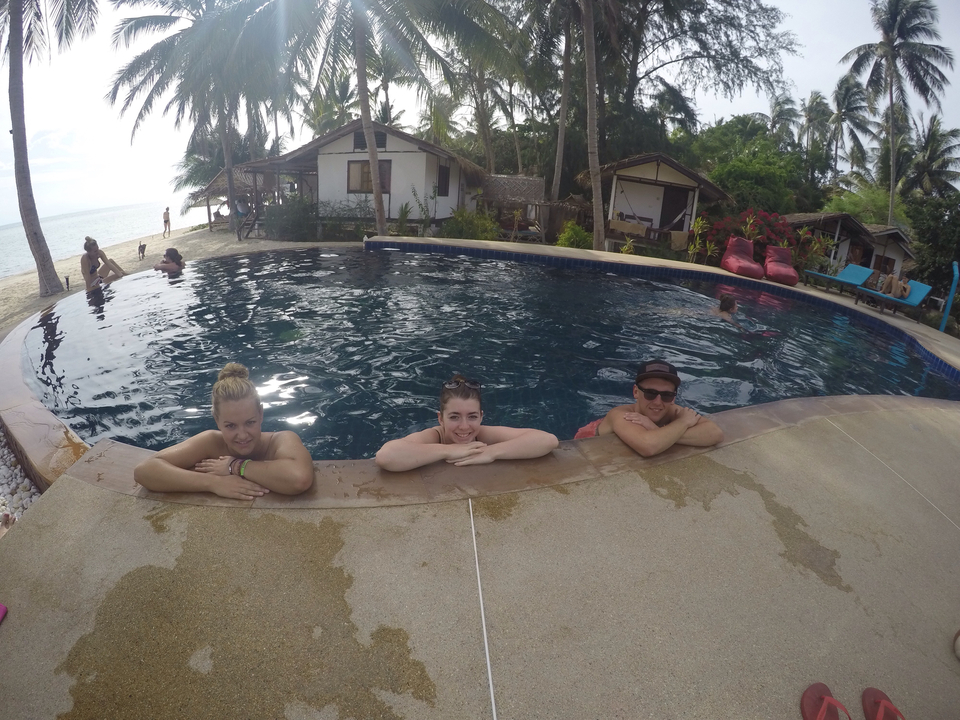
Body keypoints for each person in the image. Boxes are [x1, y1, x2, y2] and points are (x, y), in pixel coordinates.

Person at [134, 363, 315, 498]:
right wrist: (214, 483)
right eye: (230, 426)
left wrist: (235, 466)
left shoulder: (281, 440)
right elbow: (145, 471)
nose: (242, 435)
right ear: (216, 420)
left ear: (260, 414)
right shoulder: (211, 442)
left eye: (250, 422)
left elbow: (299, 478)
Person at [375, 375, 559, 472]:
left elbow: (547, 440)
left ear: (481, 416)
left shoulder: (483, 434)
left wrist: (492, 452)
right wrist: (448, 450)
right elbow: (386, 456)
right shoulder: (434, 436)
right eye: (454, 417)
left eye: (472, 416)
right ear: (441, 418)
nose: (464, 426)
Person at [575, 360, 723, 457]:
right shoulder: (620, 414)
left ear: (674, 397)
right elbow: (648, 446)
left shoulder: (671, 409)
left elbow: (715, 433)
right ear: (635, 392)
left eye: (667, 395)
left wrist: (655, 430)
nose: (658, 402)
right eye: (650, 393)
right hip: (587, 438)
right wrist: (682, 424)